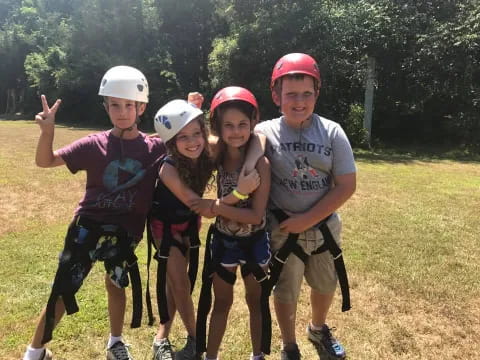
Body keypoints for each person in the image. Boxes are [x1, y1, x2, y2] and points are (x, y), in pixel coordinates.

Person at [22, 65, 166, 360]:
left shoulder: (156, 148)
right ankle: (34, 352)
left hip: (126, 232)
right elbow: (45, 161)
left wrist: (192, 114)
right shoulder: (93, 144)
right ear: (106, 106)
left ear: (142, 107)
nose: (122, 111)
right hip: (88, 226)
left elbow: (197, 145)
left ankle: (115, 342)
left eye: (129, 105)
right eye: (115, 104)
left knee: (117, 283)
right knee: (64, 288)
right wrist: (47, 132)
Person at [254, 53, 357, 360]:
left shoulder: (332, 132)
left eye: (306, 94)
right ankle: (288, 344)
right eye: (291, 95)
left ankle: (318, 327)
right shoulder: (265, 131)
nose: (299, 102)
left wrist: (308, 219)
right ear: (276, 96)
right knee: (285, 289)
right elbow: (237, 147)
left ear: (317, 93)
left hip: (323, 226)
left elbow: (347, 185)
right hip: (284, 229)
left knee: (325, 283)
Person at [148, 99, 260, 360]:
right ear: (171, 141)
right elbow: (199, 205)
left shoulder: (206, 149)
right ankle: (197, 342)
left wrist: (253, 158)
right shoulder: (168, 169)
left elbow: (258, 137)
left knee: (176, 284)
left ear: (204, 131)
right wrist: (239, 193)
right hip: (164, 228)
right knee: (180, 284)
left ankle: (161, 335)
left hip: (188, 226)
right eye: (183, 137)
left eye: (197, 133)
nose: (192, 142)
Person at [189, 87, 271, 360]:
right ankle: (210, 356)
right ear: (218, 127)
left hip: (255, 242)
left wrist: (216, 207)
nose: (236, 131)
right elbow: (185, 139)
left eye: (242, 125)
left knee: (256, 301)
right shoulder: (217, 153)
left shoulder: (261, 165)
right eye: (228, 125)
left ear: (252, 124)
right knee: (221, 303)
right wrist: (191, 111)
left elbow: (256, 216)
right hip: (224, 242)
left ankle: (257, 354)